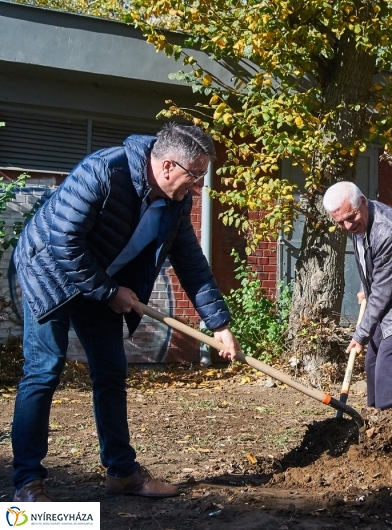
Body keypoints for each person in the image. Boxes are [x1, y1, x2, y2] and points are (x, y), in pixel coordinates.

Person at [11, 124, 241, 502]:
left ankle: (122, 473)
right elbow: (64, 241)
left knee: (111, 372)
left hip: (101, 280)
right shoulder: (102, 171)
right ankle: (27, 483)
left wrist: (219, 324)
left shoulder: (176, 201)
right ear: (168, 166)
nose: (197, 187)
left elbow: (191, 262)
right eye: (194, 176)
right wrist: (108, 290)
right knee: (44, 370)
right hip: (49, 271)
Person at [322, 181, 392, 410]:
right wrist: (367, 288)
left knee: (388, 363)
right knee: (373, 360)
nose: (347, 225)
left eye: (350, 217)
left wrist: (361, 333)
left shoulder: (387, 230)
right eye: (340, 221)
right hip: (390, 298)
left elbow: (383, 289)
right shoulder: (360, 223)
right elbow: (374, 266)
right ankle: (375, 422)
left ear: (363, 202)